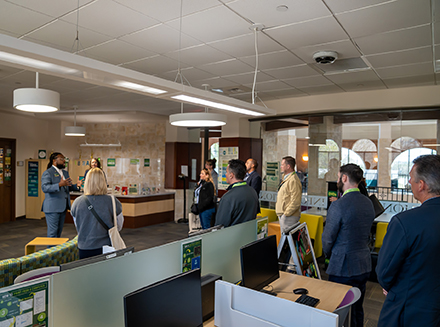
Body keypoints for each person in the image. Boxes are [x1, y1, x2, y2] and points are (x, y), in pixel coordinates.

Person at [376, 155, 440, 327]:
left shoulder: (405, 222)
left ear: (421, 185)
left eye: (411, 179)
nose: (409, 183)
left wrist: (389, 285)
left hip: (410, 312)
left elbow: (384, 272)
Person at [322, 164, 375, 327]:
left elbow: (327, 239)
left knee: (338, 310)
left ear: (344, 178)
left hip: (342, 266)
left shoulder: (338, 205)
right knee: (357, 307)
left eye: (339, 177)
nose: (338, 180)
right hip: (363, 264)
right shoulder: (368, 203)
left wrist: (328, 255)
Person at [71, 168, 124, 259]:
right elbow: (119, 224)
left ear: (87, 181)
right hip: (106, 248)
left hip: (84, 247)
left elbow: (78, 226)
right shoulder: (112, 201)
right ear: (103, 181)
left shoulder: (77, 202)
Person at [41, 152, 81, 238]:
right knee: (52, 234)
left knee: (58, 233)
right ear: (54, 161)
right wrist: (59, 185)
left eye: (64, 159)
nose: (64, 161)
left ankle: (57, 251)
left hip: (63, 207)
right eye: (62, 159)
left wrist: (76, 186)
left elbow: (66, 188)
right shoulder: (48, 173)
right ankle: (51, 251)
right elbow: (45, 188)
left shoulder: (65, 173)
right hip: (52, 208)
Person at [215, 159, 259, 227]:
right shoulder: (253, 192)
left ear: (231, 175)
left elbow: (219, 226)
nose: (225, 174)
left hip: (232, 236)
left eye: (226, 172)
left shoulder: (228, 198)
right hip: (249, 234)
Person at [275, 156, 302, 233]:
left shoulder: (293, 180)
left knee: (288, 241)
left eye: (282, 165)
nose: (281, 167)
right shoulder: (286, 178)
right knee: (285, 240)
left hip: (289, 217)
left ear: (288, 166)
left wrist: (286, 214)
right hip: (284, 215)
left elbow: (296, 201)